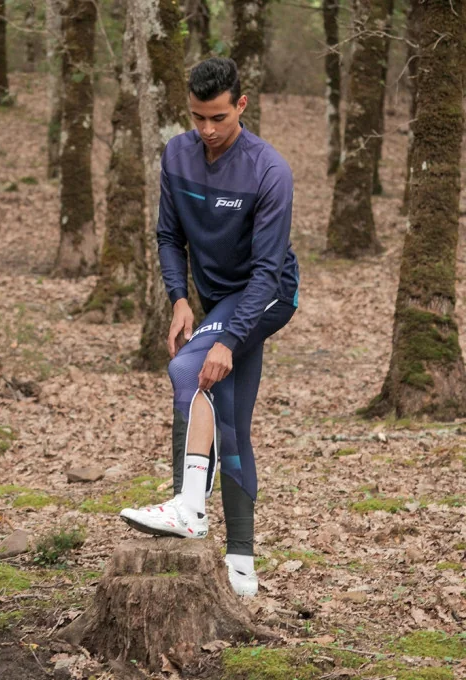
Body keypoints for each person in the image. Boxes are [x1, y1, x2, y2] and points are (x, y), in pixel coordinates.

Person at [120, 57, 299, 597]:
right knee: (231, 420)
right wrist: (179, 299)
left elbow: (266, 272)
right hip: (218, 299)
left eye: (218, 117)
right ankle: (242, 568)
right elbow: (168, 236)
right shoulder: (177, 155)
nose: (207, 129)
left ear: (241, 105)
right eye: (197, 117)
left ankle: (190, 508)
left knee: (187, 369)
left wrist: (227, 339)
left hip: (269, 295)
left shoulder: (269, 170)